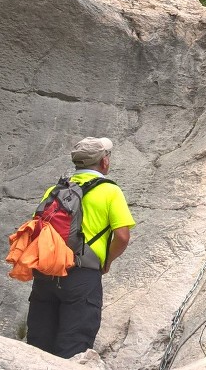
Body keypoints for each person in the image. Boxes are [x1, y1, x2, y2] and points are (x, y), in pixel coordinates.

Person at [25, 137, 135, 359]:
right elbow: (122, 237)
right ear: (104, 162)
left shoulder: (54, 190)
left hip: (47, 275)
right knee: (73, 348)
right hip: (82, 277)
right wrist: (107, 261)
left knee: (38, 347)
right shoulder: (109, 191)